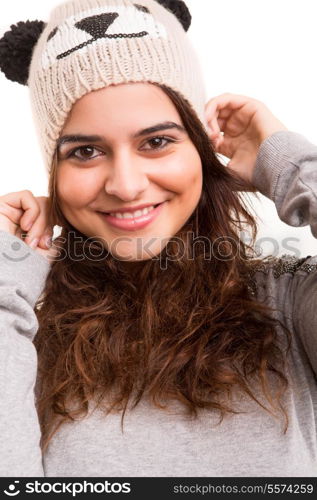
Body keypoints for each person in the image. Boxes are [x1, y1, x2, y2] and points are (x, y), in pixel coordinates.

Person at [0, 0, 316, 478]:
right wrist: (8, 276)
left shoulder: (288, 303)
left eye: (157, 141)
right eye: (85, 151)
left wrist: (292, 169)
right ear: (55, 171)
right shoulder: (23, 326)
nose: (125, 185)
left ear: (201, 149)